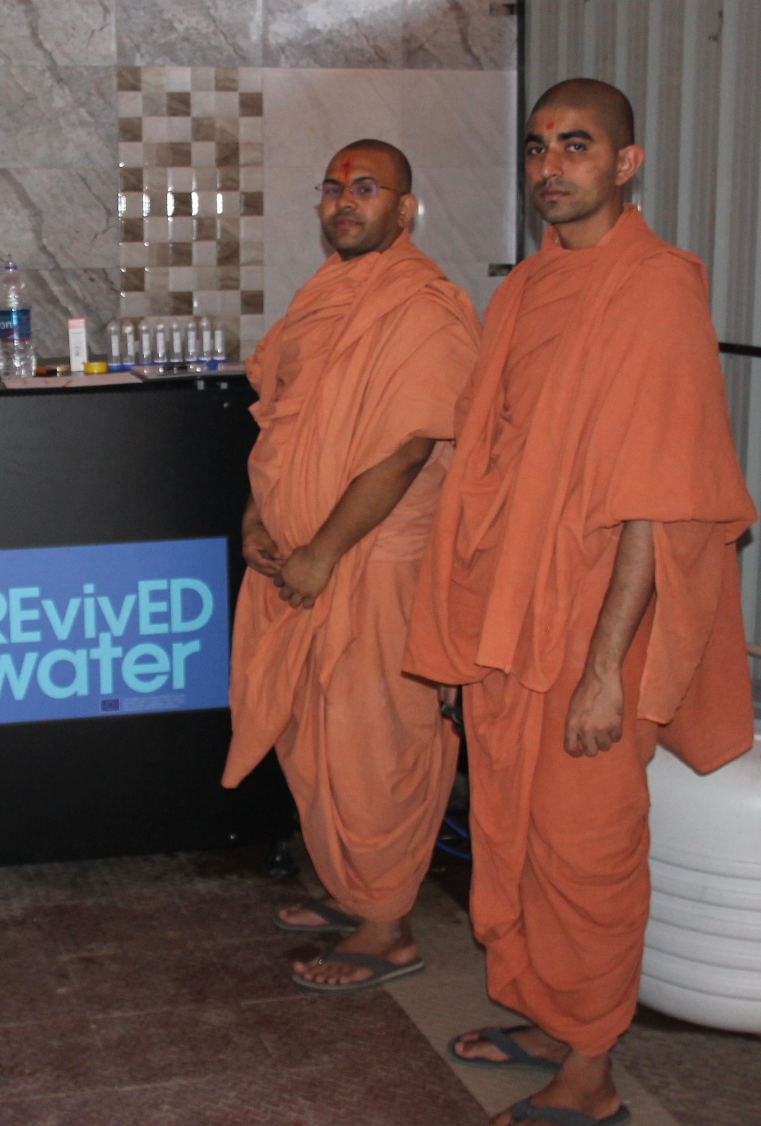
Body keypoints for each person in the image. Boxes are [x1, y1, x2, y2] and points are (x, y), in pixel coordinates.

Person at [405, 80, 756, 1126]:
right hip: (510, 616)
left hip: (595, 627)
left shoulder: (655, 292)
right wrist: (465, 631)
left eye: (575, 146)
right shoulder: (525, 288)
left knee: (587, 851)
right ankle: (549, 1015)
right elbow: (489, 470)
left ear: (625, 162)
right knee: (512, 831)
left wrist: (606, 670)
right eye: (535, 148)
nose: (549, 167)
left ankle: (591, 1069)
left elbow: (662, 500)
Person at [224, 140, 481, 992]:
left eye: (366, 188)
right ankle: (352, 886)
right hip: (297, 563)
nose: (344, 201)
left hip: (373, 566)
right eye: (333, 187)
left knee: (375, 740)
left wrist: (324, 551)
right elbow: (281, 424)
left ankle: (388, 926)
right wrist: (258, 517)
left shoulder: (423, 307)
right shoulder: (323, 295)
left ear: (404, 209)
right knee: (311, 736)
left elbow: (406, 449)